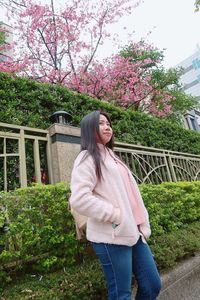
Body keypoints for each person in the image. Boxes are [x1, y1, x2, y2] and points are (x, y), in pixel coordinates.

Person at [70, 110, 161, 300]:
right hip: (111, 236)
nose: (107, 127)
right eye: (101, 123)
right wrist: (115, 215)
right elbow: (79, 198)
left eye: (108, 124)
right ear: (89, 129)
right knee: (121, 294)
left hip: (134, 232)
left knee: (152, 285)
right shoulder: (87, 157)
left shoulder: (113, 156)